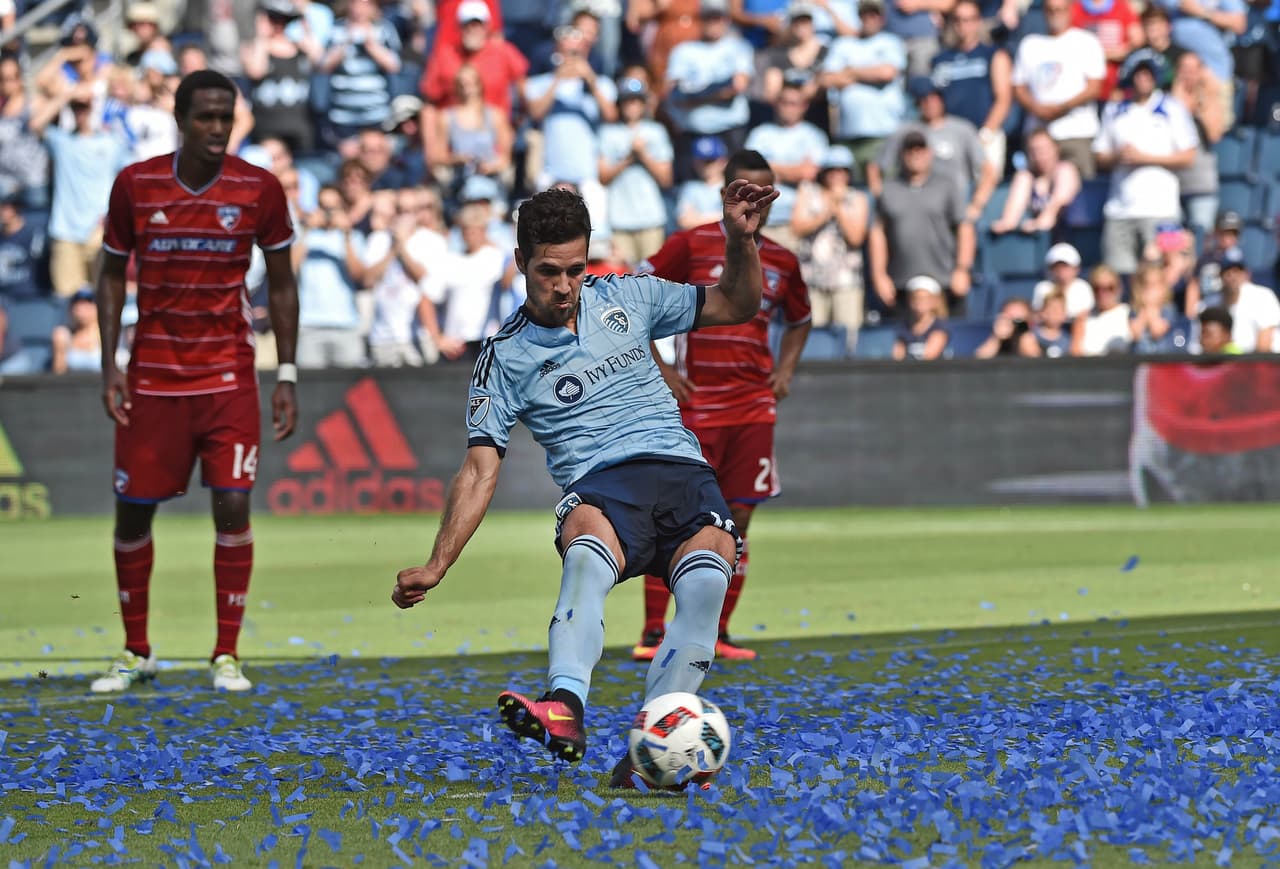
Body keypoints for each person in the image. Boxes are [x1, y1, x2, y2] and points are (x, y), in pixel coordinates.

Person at [390, 179, 777, 788]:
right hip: (602, 484)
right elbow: (480, 468)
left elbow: (736, 303)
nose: (565, 286)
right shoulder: (503, 356)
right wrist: (438, 563)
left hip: (681, 470)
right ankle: (564, 706)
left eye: (576, 269)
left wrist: (740, 240)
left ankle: (650, 752)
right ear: (520, 262)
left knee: (710, 576)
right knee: (586, 543)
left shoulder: (629, 294)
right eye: (548, 271)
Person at [91, 70, 299, 694]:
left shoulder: (259, 188)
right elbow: (110, 274)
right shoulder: (136, 184)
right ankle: (137, 651)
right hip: (152, 378)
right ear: (180, 120)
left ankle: (226, 654)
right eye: (205, 117)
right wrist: (109, 363)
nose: (216, 128)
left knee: (232, 504)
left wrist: (286, 372)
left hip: (228, 375)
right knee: (133, 515)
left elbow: (283, 282)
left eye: (225, 117)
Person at [631, 149, 812, 664]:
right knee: (673, 516)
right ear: (725, 194)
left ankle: (717, 631)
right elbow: (633, 298)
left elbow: (800, 319)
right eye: (746, 191)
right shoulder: (690, 244)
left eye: (765, 193)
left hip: (753, 405)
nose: (757, 202)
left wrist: (785, 370)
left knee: (740, 518)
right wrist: (662, 370)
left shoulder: (783, 260)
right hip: (697, 405)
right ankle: (653, 632)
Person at [1093, 49, 1197, 276]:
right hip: (1119, 209)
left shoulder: (1172, 108)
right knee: (1119, 275)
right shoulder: (1115, 109)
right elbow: (1099, 155)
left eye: (1148, 73)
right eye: (1139, 73)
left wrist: (1145, 158)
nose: (1143, 78)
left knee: (1163, 275)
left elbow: (1189, 155)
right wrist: (1118, 157)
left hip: (1162, 208)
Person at [1011, 0, 1105, 179]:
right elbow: (1018, 87)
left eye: (1060, 10)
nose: (1055, 14)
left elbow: (1094, 87)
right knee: (1037, 188)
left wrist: (1061, 108)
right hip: (1038, 134)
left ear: (1070, 10)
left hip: (1076, 132)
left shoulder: (1086, 42)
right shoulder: (1030, 44)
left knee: (1080, 187)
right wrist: (1038, 109)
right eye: (1051, 10)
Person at [989, 128, 1080, 240]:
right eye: (1034, 151)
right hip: (1041, 239)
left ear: (1055, 148)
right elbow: (1015, 204)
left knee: (1064, 170)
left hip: (1068, 237)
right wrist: (1008, 222)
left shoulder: (1065, 170)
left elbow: (1059, 201)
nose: (1039, 156)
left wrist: (1042, 220)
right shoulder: (1026, 177)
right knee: (1023, 176)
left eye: (1044, 150)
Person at [1199, 246, 1279, 353]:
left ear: (1246, 274)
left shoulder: (1263, 296)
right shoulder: (1210, 304)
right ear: (1220, 275)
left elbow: (1264, 347)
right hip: (1227, 360)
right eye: (1227, 271)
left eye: (1237, 270)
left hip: (1263, 361)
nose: (1232, 275)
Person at [1071, 264, 1132, 355]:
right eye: (1097, 288)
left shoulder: (1129, 313)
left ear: (1119, 288)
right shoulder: (1082, 318)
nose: (1102, 293)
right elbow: (1075, 352)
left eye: (1109, 288)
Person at [1031, 242, 1094, 319]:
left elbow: (1085, 317)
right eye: (1057, 266)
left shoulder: (1083, 288)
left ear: (1076, 269)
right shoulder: (1042, 287)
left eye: (1065, 266)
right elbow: (1037, 316)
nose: (1061, 270)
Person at [892, 274, 949, 359]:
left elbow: (930, 355)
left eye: (925, 298)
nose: (920, 302)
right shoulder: (904, 327)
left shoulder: (940, 327)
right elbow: (898, 355)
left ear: (934, 300)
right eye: (916, 298)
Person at [52, 286, 102, 373]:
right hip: (71, 381)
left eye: (87, 304)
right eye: (78, 304)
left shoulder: (106, 336)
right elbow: (58, 372)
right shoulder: (63, 336)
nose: (81, 309)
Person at [1026, 290, 1073, 357]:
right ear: (1042, 312)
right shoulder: (1031, 337)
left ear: (1064, 314)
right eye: (1051, 309)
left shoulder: (1070, 338)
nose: (1054, 314)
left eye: (1058, 310)